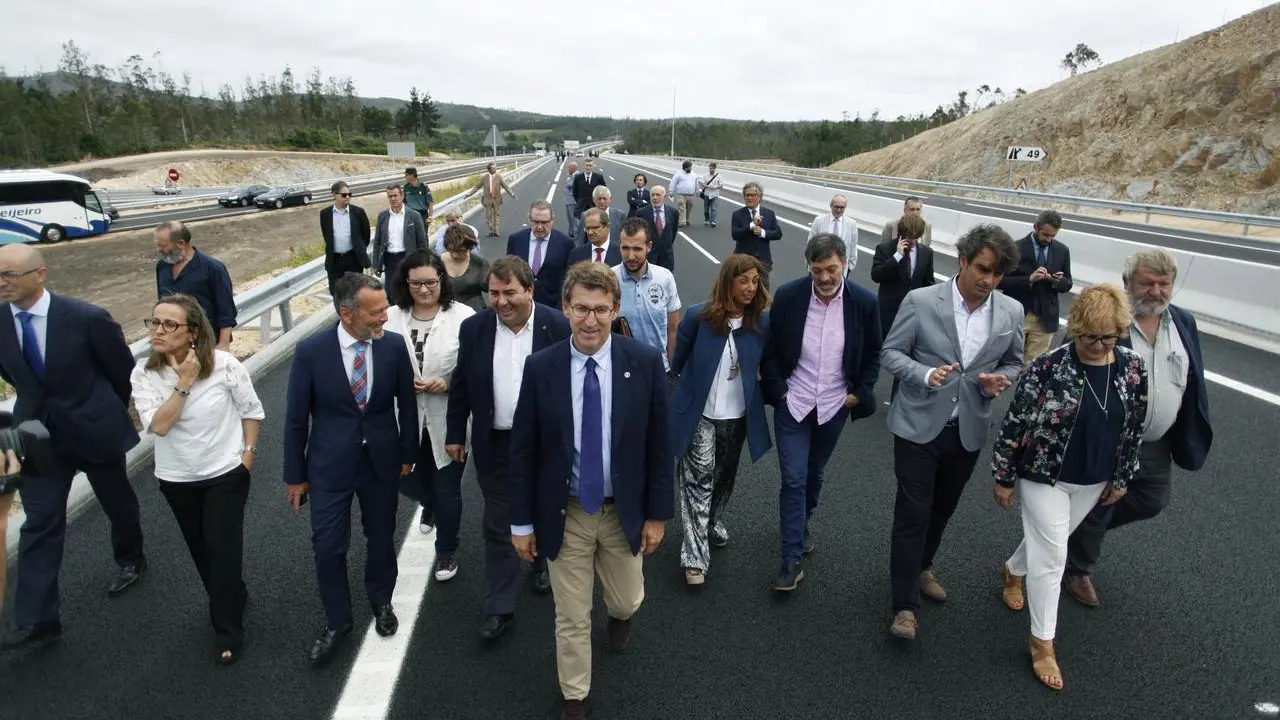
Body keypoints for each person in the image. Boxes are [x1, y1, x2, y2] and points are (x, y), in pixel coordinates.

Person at [508, 261, 673, 720]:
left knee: (625, 597)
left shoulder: (642, 363)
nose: (590, 320)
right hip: (569, 512)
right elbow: (523, 450)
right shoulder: (542, 368)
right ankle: (574, 696)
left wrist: (658, 515)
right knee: (572, 614)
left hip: (625, 510)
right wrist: (521, 523)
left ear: (615, 309)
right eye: (581, 308)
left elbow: (660, 445)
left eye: (601, 310)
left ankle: (622, 615)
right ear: (565, 308)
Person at [992, 284, 1148, 691]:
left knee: (1052, 541)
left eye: (1108, 337)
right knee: (1054, 557)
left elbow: (1133, 427)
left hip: (1094, 479)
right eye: (1090, 336)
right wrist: (1003, 476)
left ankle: (1012, 570)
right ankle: (1042, 643)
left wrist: (1123, 475)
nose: (1098, 345)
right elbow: (1015, 423)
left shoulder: (1132, 368)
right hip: (1044, 475)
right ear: (1076, 328)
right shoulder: (1048, 367)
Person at [880, 223, 1024, 640]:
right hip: (917, 425)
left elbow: (1014, 361)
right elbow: (891, 352)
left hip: (968, 429)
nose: (989, 281)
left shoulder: (1010, 311)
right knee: (912, 513)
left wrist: (999, 379)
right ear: (963, 261)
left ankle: (922, 565)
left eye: (997, 275)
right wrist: (925, 375)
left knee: (941, 510)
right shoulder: (921, 301)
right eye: (982, 269)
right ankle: (904, 606)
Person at [0, 244, 146, 651]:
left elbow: (122, 372)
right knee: (39, 521)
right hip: (33, 433)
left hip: (93, 427)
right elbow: (16, 375)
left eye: (9, 275)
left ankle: (131, 558)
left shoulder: (86, 318)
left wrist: (103, 411)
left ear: (40, 274)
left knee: (117, 501)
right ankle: (38, 618)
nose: (1, 283)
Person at [1063, 249, 1213, 607]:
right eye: (1147, 283)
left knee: (1150, 500)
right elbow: (1070, 369)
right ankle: (1078, 568)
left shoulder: (1183, 323)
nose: (1156, 291)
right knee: (1099, 502)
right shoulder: (1108, 321)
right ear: (1128, 283)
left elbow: (1193, 380)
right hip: (1109, 439)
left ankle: (1077, 529)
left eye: (1164, 284)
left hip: (1156, 440)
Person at [283, 272, 418, 667]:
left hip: (380, 460)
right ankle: (337, 621)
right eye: (376, 313)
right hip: (328, 466)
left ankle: (381, 601)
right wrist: (295, 474)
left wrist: (407, 452)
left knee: (380, 538)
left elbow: (407, 407)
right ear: (346, 314)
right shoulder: (311, 351)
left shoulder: (392, 347)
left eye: (384, 310)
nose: (384, 319)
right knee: (327, 547)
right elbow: (295, 419)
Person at [130, 293, 264, 665]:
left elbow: (251, 410)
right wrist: (184, 382)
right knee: (201, 549)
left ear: (192, 333)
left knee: (222, 547)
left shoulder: (224, 365)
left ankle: (227, 629)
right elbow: (158, 425)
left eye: (169, 324)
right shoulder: (144, 373)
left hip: (225, 473)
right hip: (176, 478)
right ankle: (231, 593)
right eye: (154, 322)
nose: (158, 330)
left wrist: (247, 458)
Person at [446, 256, 569, 640]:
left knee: (546, 508)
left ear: (529, 290)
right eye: (494, 293)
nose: (500, 301)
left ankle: (540, 563)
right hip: (495, 443)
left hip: (546, 445)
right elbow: (461, 384)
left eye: (509, 293)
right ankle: (500, 605)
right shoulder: (474, 328)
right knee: (498, 524)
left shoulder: (557, 326)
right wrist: (454, 432)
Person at [760, 234, 882, 592]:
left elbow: (874, 354)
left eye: (831, 269)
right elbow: (770, 350)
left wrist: (860, 394)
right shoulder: (788, 296)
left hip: (834, 406)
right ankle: (790, 557)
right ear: (808, 268)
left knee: (814, 474)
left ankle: (801, 522)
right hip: (794, 402)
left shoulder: (864, 303)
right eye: (817, 271)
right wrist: (779, 390)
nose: (825, 278)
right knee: (794, 478)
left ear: (843, 263)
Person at [669, 254, 772, 585]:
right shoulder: (698, 317)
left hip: (737, 417)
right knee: (698, 481)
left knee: (724, 478)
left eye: (755, 281)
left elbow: (770, 368)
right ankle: (694, 557)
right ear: (728, 282)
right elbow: (678, 363)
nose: (750, 288)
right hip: (700, 415)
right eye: (743, 281)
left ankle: (711, 521)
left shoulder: (760, 323)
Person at [385, 250, 475, 582]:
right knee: (407, 480)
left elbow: (473, 367)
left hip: (448, 416)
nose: (424, 290)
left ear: (442, 280)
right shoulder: (391, 317)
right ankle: (430, 503)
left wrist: (447, 382)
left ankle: (447, 550)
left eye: (431, 282)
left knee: (448, 487)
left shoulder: (463, 316)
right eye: (416, 283)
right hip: (404, 418)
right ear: (404, 284)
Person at [998, 210, 1073, 362]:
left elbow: (1068, 283)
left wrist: (1058, 281)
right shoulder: (1015, 248)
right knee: (1008, 361)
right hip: (1018, 315)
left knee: (1034, 366)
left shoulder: (1062, 251)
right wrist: (1029, 279)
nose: (1048, 239)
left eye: (1053, 236)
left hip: (1045, 319)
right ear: (1035, 227)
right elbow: (1000, 280)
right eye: (1045, 235)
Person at [154, 221, 236, 351]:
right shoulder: (162, 267)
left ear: (181, 244)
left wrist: (223, 344)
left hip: (205, 344)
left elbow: (226, 310)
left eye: (163, 246)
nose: (159, 250)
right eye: (158, 245)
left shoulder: (213, 268)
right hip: (172, 344)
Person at [507, 200, 575, 309]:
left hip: (553, 307)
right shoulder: (516, 240)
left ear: (552, 220)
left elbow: (569, 280)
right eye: (535, 222)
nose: (539, 227)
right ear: (530, 219)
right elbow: (509, 273)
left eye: (544, 222)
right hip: (520, 305)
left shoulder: (566, 243)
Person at [371, 184, 429, 293]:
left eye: (395, 195)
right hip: (389, 259)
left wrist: (423, 262)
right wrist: (375, 264)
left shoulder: (414, 215)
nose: (393, 199)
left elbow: (422, 241)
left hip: (407, 258)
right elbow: (377, 242)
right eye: (390, 196)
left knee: (408, 290)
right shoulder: (382, 216)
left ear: (402, 196)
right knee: (391, 291)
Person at [320, 181, 372, 296]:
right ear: (334, 195)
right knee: (336, 293)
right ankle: (341, 313)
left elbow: (365, 235)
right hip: (335, 261)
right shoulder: (325, 214)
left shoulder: (358, 212)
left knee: (355, 293)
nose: (347, 197)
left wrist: (359, 249)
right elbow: (326, 235)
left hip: (353, 259)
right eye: (344, 195)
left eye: (349, 194)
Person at [440, 226, 490, 312]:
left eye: (460, 251)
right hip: (446, 312)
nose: (455, 255)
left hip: (474, 313)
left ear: (469, 247)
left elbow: (491, 288)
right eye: (451, 250)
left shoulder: (479, 263)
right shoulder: (437, 263)